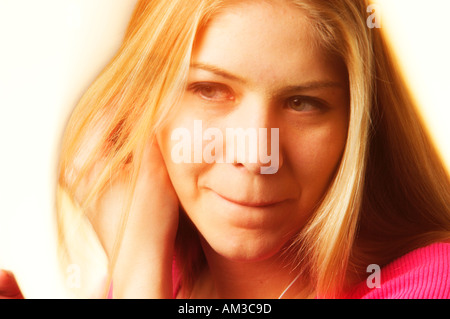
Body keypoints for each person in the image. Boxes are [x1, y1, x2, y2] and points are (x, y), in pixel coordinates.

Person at [2, 0, 450, 299]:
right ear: (142, 105)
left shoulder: (432, 284)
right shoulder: (170, 276)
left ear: (356, 124)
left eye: (303, 103)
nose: (256, 153)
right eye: (210, 90)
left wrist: (137, 264)